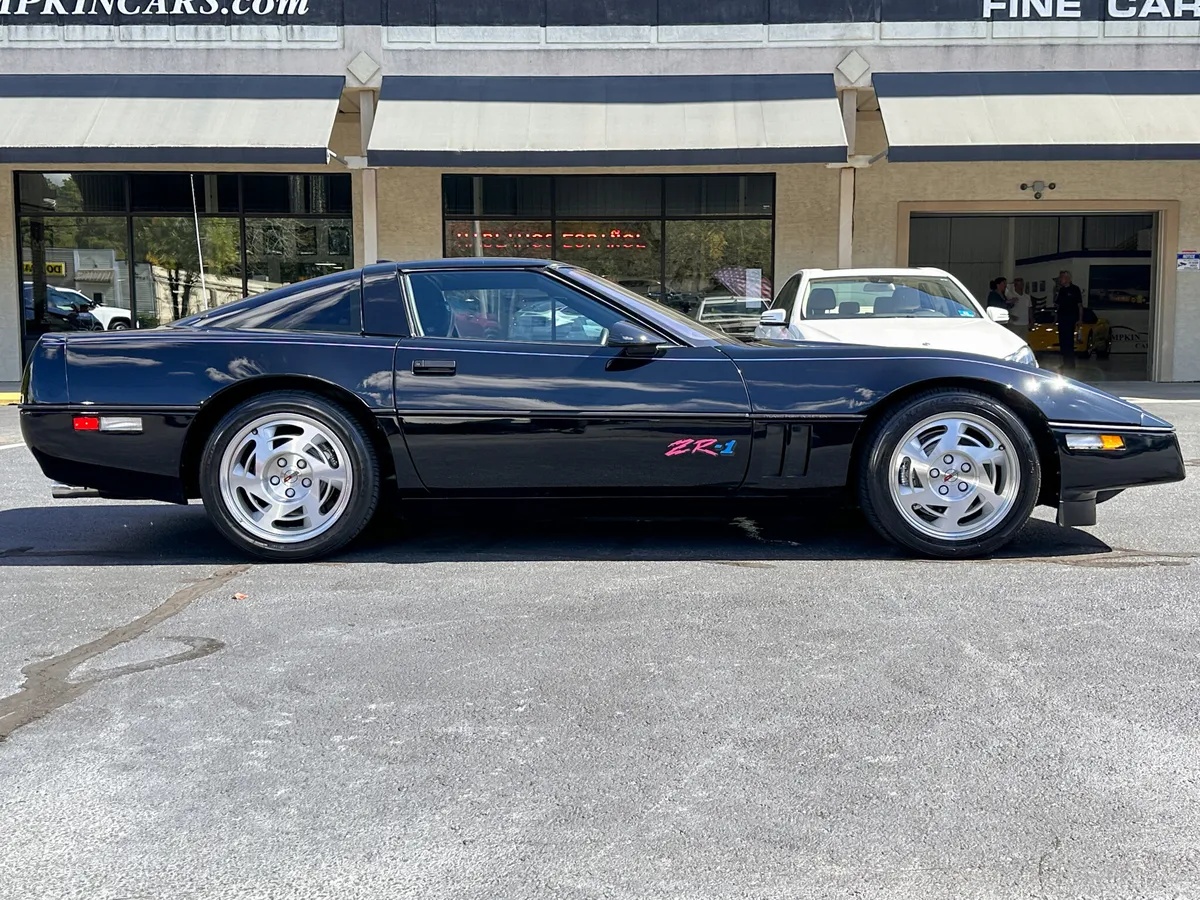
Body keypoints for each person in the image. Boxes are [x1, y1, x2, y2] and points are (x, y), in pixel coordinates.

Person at [1055, 270, 1083, 369]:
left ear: (1067, 278)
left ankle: (1070, 363)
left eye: (1061, 277)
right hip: (1062, 319)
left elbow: (1080, 305)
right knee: (1063, 341)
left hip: (1071, 319)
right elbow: (1058, 305)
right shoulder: (1061, 290)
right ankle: (1065, 362)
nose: (1060, 279)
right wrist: (1056, 318)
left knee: (1069, 341)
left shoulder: (1075, 289)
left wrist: (1080, 319)